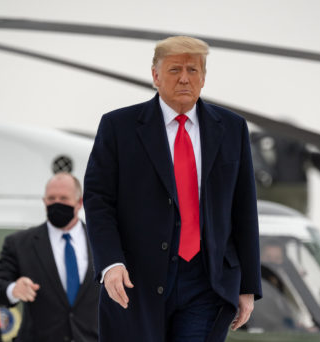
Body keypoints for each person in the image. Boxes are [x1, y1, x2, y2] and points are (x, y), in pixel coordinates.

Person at [83, 35, 262, 342]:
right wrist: (111, 263)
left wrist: (248, 285)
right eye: (174, 69)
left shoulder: (232, 129)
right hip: (136, 279)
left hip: (207, 282)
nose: (184, 78)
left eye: (192, 70)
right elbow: (98, 200)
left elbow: (244, 208)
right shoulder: (118, 127)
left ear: (203, 78)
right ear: (155, 75)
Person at [0, 172, 99, 342]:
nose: (56, 203)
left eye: (64, 198)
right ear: (44, 201)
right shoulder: (20, 243)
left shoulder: (101, 240)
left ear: (79, 202)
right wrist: (13, 289)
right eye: (51, 198)